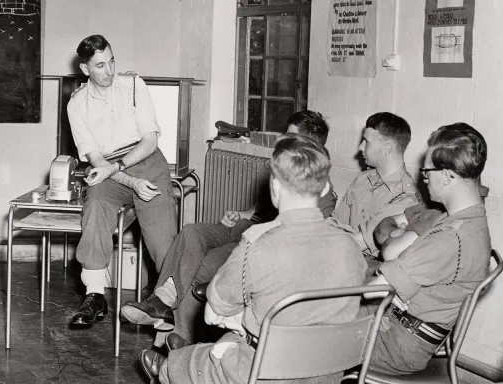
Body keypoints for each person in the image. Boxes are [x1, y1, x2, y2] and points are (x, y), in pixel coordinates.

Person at [137, 134, 367, 384]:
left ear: (275, 189)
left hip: (265, 371)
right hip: (328, 373)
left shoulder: (258, 243)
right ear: (324, 189)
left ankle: (171, 367)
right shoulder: (350, 245)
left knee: (172, 368)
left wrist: (240, 318)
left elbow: (215, 310)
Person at [120, 110, 336, 345]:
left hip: (256, 241)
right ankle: (162, 304)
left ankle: (168, 338)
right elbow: (259, 210)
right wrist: (240, 214)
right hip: (243, 227)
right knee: (191, 232)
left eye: (290, 136)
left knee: (196, 267)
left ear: (311, 145)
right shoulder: (286, 170)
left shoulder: (321, 189)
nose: (283, 140)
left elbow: (301, 235)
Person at [66, 35, 178, 326]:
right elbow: (97, 161)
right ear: (85, 68)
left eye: (112, 61)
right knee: (96, 206)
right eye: (100, 65)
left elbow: (150, 140)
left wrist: (133, 177)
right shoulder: (76, 104)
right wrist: (130, 182)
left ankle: (169, 302)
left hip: (146, 160)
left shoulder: (133, 86)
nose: (110, 70)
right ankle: (95, 296)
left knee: (161, 235)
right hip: (110, 171)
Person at [364, 123, 491, 375]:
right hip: (403, 327)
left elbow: (370, 293)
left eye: (426, 172)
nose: (424, 178)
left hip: (397, 343)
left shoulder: (449, 239)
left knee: (312, 334)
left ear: (445, 176)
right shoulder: (467, 220)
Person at [332, 112, 421, 269]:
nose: (360, 147)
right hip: (343, 257)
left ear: (387, 149)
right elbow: (336, 222)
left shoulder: (405, 197)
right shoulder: (362, 179)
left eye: (366, 142)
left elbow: (358, 242)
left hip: (369, 269)